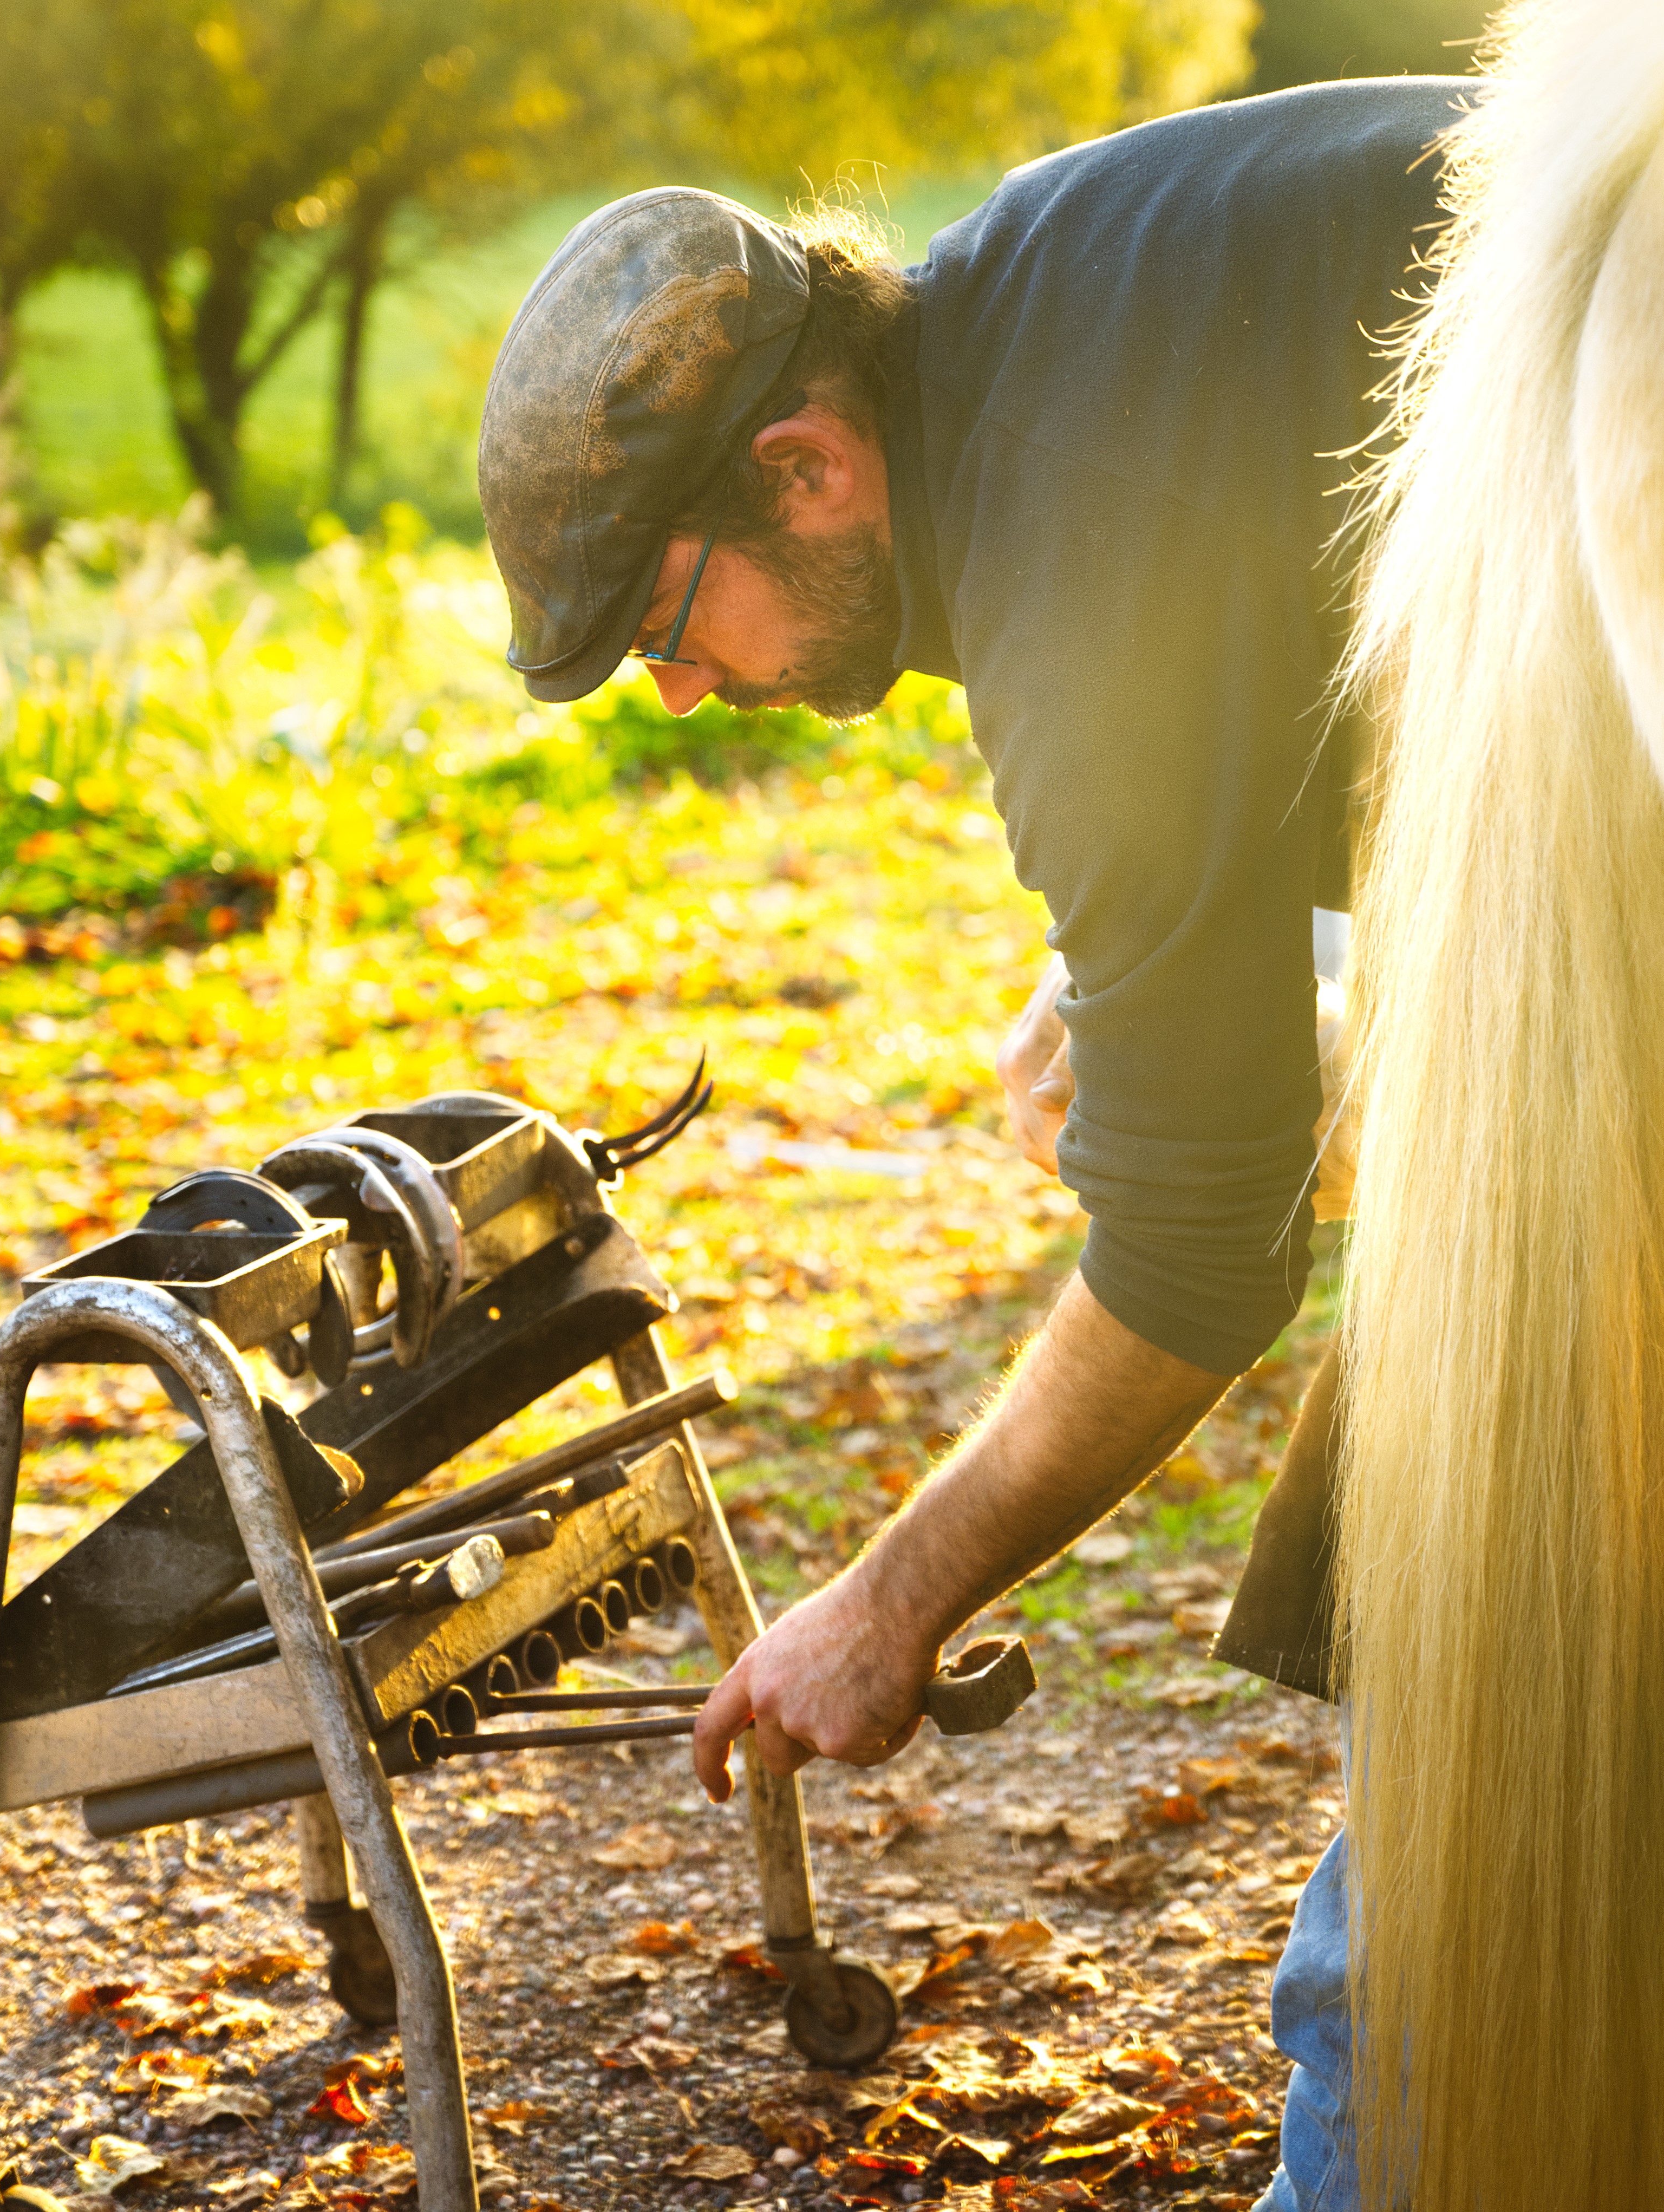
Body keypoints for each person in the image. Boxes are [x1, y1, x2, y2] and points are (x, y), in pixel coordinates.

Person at [475, 78, 1464, 2210]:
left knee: (1437, 1764)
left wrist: (886, 1599)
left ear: (802, 468)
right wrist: (1227, 970)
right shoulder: (1041, 294)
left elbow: (1200, 1256)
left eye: (663, 625)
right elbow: (1370, 659)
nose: (671, 693)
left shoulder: (1061, 536)